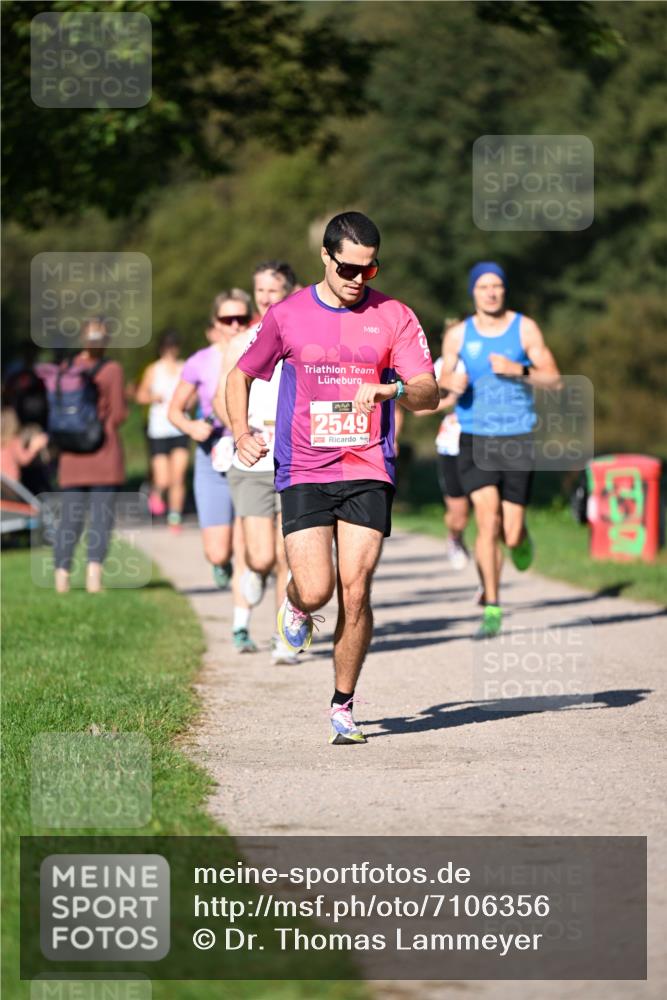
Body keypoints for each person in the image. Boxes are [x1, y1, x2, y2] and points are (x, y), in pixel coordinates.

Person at [226, 211, 438, 743]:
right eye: (348, 268)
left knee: (357, 589)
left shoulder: (395, 315)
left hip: (368, 464)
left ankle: (343, 706)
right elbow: (241, 375)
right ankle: (297, 604)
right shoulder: (287, 314)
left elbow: (428, 393)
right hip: (303, 465)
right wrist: (240, 429)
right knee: (318, 589)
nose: (357, 280)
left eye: (368, 271)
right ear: (325, 257)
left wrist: (393, 391)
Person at [439, 262, 561, 638]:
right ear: (473, 292)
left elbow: (553, 379)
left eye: (497, 286)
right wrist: (452, 382)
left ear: (504, 291)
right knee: (486, 520)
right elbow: (441, 379)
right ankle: (492, 605)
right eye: (483, 286)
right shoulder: (459, 334)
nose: (490, 292)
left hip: (517, 436)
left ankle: (520, 540)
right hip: (475, 437)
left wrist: (518, 369)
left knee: (510, 532)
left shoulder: (524, 328)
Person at [214, 261, 299, 666]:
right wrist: (240, 430)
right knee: (263, 556)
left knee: (290, 555)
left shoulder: (302, 338)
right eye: (260, 290)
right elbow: (220, 398)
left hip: (295, 459)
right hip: (251, 461)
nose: (266, 298)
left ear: (289, 291)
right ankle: (253, 571)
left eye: (274, 290)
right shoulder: (240, 342)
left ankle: (284, 637)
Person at [168, 290, 257, 653]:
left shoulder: (260, 355)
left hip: (251, 454)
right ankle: (221, 566)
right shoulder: (199, 362)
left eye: (241, 319)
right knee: (219, 552)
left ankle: (241, 626)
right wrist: (191, 428)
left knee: (246, 546)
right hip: (212, 456)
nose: (234, 326)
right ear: (213, 326)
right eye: (226, 320)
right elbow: (175, 410)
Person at [48, 319, 128, 594]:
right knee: (100, 519)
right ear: (105, 341)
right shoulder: (113, 369)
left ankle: (61, 578)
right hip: (103, 453)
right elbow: (118, 414)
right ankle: (94, 578)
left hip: (70, 456)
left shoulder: (65, 369)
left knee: (69, 519)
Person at [412, 318, 470, 570]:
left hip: (485, 442)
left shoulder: (484, 360)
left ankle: (490, 584)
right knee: (459, 514)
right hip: (451, 445)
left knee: (493, 512)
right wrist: (451, 401)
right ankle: (455, 537)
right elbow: (419, 410)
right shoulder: (440, 367)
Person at [135, 329, 189, 532]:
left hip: (180, 426)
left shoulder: (185, 367)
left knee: (179, 475)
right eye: (167, 347)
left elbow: (194, 394)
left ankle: (174, 517)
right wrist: (152, 398)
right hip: (159, 428)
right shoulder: (153, 370)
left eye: (173, 347)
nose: (171, 351)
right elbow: (139, 396)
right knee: (163, 478)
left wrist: (189, 402)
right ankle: (155, 492)